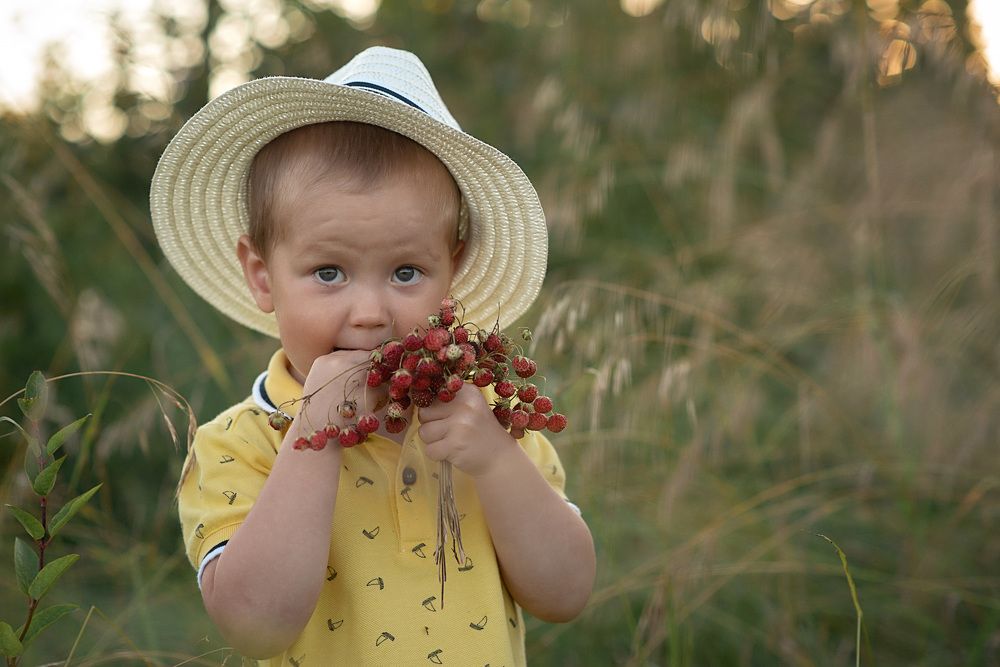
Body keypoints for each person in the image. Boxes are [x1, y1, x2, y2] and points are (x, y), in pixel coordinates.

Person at [150, 46, 595, 665]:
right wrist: (315, 433)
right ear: (261, 275)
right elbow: (255, 628)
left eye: (406, 272)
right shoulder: (240, 445)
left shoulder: (489, 420)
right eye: (328, 272)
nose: (369, 312)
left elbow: (566, 593)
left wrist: (495, 460)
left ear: (453, 274)